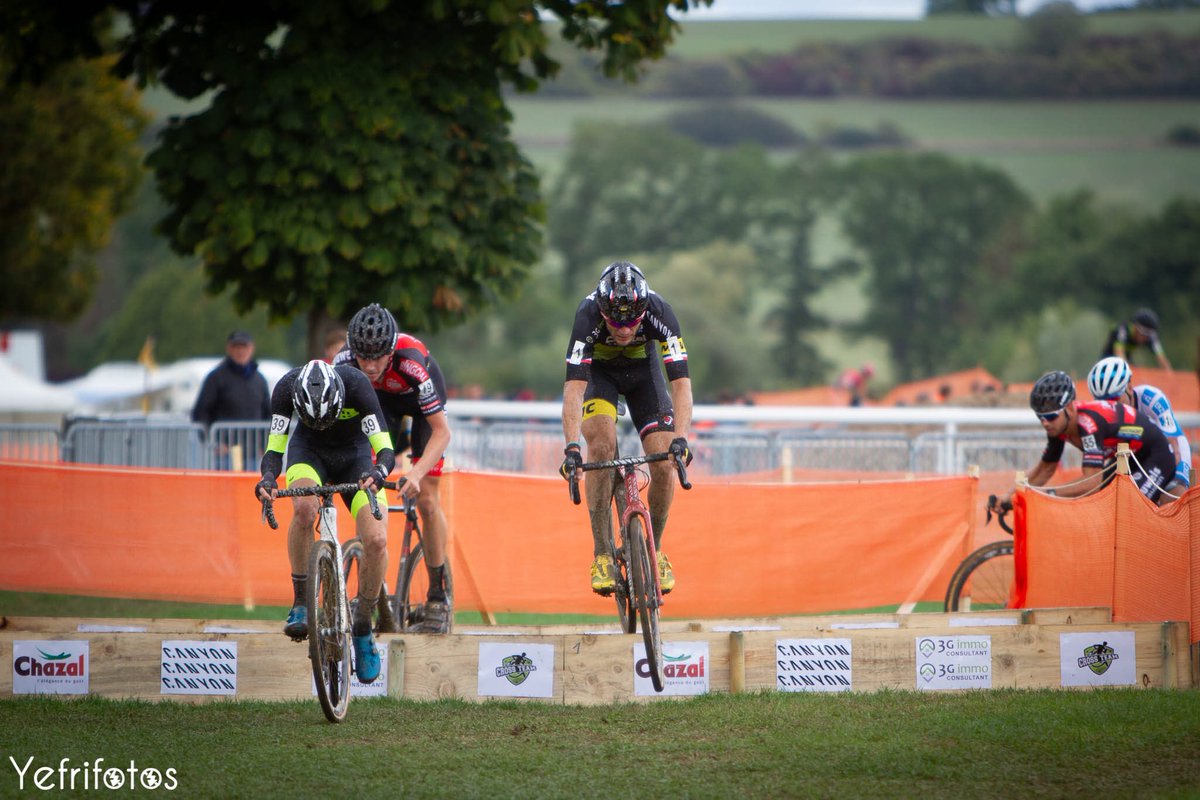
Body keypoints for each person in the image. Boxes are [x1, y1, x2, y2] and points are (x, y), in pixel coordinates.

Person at [255, 359, 395, 683]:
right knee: (304, 509)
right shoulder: (285, 389)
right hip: (308, 454)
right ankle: (302, 601)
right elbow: (274, 452)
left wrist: (379, 473)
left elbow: (385, 449)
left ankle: (362, 624)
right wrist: (267, 479)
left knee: (376, 540)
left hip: (355, 458)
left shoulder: (358, 385)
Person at [558, 261, 693, 595]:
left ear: (643, 310)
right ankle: (601, 553)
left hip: (643, 376)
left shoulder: (661, 312)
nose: (622, 330)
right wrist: (572, 448)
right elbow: (574, 389)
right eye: (614, 323)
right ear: (602, 311)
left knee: (664, 461)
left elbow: (681, 385)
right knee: (601, 445)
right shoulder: (587, 315)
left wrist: (681, 439)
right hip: (599, 377)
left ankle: (655, 549)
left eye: (632, 323)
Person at [334, 303, 453, 634]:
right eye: (363, 357)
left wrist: (415, 474)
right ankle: (372, 579)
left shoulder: (412, 363)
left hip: (420, 407)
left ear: (390, 350)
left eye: (378, 357)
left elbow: (442, 432)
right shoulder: (343, 363)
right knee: (364, 479)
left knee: (427, 500)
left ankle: (437, 594)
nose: (370, 366)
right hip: (379, 407)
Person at [991, 370, 1178, 512]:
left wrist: (1049, 494)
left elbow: (1091, 482)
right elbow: (1044, 470)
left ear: (1070, 409)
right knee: (1104, 510)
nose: (1045, 423)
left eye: (1051, 416)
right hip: (1130, 456)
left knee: (1125, 510)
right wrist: (1009, 496)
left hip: (1156, 455)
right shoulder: (1058, 427)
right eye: (1041, 418)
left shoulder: (1088, 424)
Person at [1086, 356, 1191, 501]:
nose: (1112, 407)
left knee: (1171, 493)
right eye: (1105, 402)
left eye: (1115, 399)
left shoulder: (1151, 398)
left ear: (1129, 387)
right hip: (1137, 454)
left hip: (1172, 448)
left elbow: (1172, 445)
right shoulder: (1103, 414)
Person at [191, 330, 271, 427]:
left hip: (254, 440)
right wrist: (213, 439)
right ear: (228, 348)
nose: (240, 351)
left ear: (251, 349)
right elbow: (201, 413)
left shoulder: (260, 380)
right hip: (225, 440)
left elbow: (268, 414)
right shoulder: (216, 377)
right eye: (236, 347)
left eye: (244, 347)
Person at [1102, 307, 1171, 370]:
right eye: (1144, 333)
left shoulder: (1151, 337)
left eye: (1149, 334)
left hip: (1127, 357)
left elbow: (1162, 359)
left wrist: (1171, 377)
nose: (1146, 338)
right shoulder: (1123, 330)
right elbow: (1119, 352)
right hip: (1109, 356)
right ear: (1135, 327)